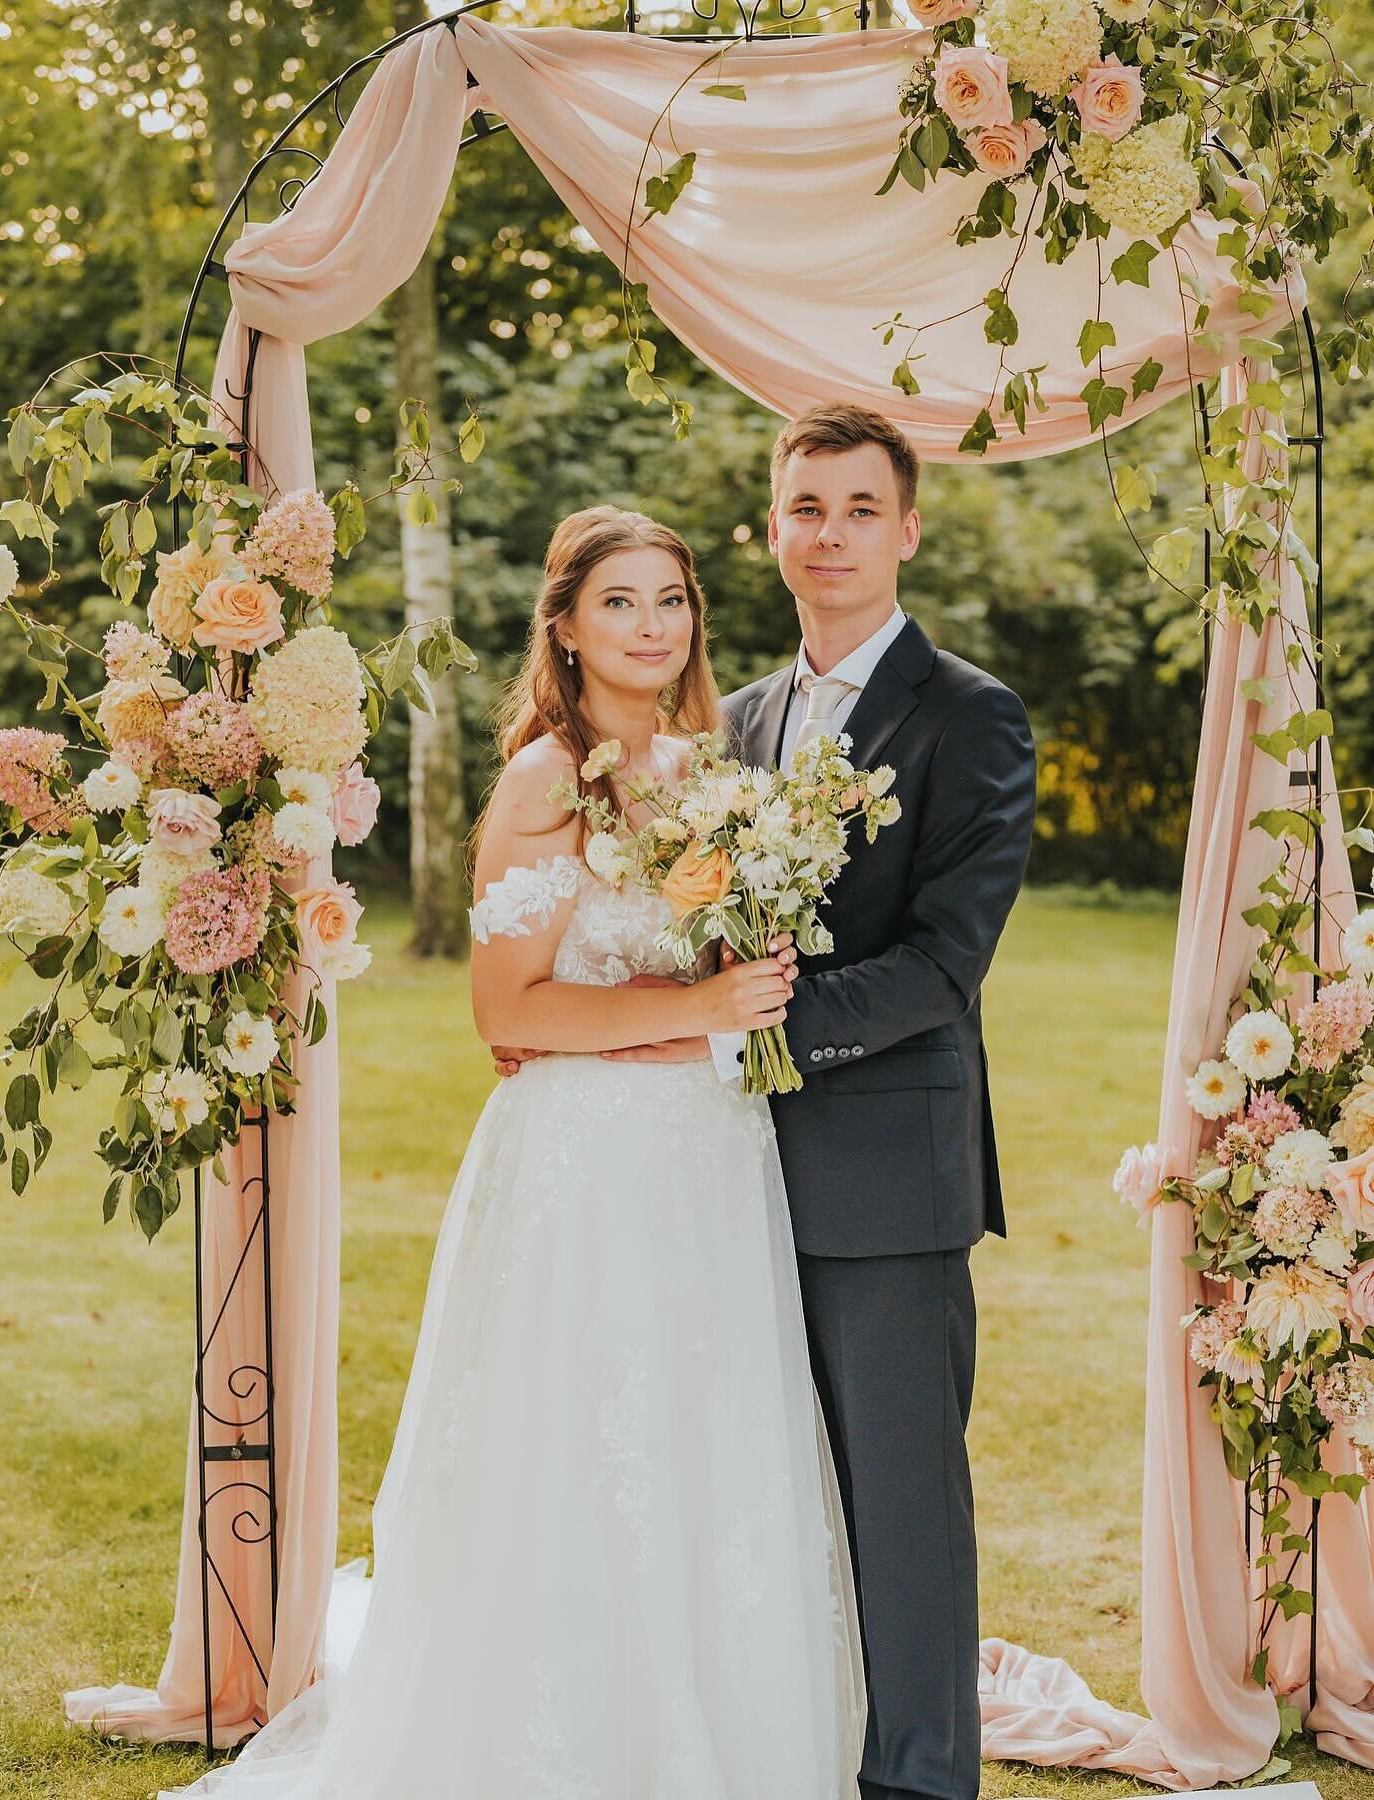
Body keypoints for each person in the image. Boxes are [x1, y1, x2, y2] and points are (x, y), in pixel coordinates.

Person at [163, 503, 866, 1800]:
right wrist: (699, 1014)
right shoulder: (547, 775)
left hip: (713, 1157)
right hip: (589, 1172)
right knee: (581, 1447)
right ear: (567, 626)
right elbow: (510, 1011)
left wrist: (729, 988)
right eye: (620, 603)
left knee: (707, 1439)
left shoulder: (714, 767)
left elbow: (711, 969)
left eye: (671, 600)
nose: (651, 627)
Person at [600, 403, 1039, 1800]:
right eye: (806, 506)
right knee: (759, 1489)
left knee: (904, 1508)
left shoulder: (971, 717)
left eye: (860, 508)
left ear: (906, 529)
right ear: (769, 528)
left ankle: (919, 1781)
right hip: (721, 1173)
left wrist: (760, 1037)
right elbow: (696, 925)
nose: (830, 534)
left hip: (885, 1179)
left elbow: (945, 962)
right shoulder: (727, 724)